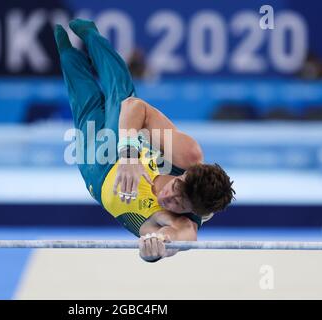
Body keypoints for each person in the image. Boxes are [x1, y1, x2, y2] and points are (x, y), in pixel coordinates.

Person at [54, 19, 235, 262]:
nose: (170, 197)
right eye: (177, 186)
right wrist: (128, 155)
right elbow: (134, 107)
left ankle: (62, 45)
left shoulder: (184, 225)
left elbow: (175, 238)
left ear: (193, 212)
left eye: (180, 203)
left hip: (96, 173)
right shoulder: (188, 156)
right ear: (186, 173)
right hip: (121, 148)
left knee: (82, 94)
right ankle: (91, 35)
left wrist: (157, 247)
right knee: (121, 93)